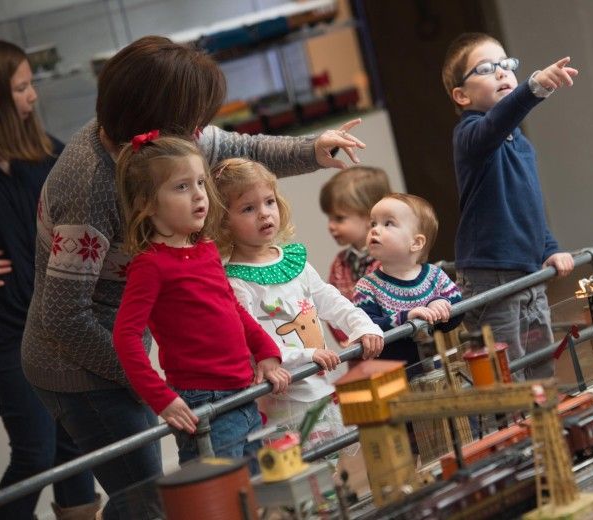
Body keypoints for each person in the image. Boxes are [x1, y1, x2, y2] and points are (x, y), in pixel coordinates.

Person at [21, 35, 365, 519]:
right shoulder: (89, 186)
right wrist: (155, 386)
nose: (202, 196)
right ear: (156, 117)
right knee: (149, 499)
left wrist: (313, 150)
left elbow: (239, 146)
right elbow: (65, 317)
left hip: (128, 354)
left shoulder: (166, 146)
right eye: (189, 186)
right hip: (74, 366)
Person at [112, 135, 291, 468]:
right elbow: (125, 337)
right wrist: (161, 398)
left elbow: (232, 308)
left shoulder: (206, 248)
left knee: (253, 494)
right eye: (181, 187)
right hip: (204, 403)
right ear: (147, 203)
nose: (199, 195)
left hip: (244, 391)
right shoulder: (151, 265)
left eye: (199, 182)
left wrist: (266, 351)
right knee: (220, 498)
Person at [214, 158, 384, 447]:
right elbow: (252, 344)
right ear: (224, 222)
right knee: (306, 477)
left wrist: (363, 326)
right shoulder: (235, 281)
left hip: (321, 386)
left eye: (268, 202)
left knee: (335, 467)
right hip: (286, 399)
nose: (264, 214)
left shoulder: (294, 261)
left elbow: (330, 300)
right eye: (248, 208)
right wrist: (307, 356)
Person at [0, 40, 99, 520]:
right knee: (35, 452)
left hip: (53, 325)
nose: (33, 96)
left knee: (72, 443)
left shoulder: (44, 153)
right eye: (20, 88)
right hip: (4, 336)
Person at [441, 32, 577, 379]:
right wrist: (531, 89)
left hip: (529, 273)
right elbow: (494, 125)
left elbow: (528, 204)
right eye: (487, 68)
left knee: (540, 365)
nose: (501, 73)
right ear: (461, 95)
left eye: (506, 65)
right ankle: (515, 432)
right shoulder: (470, 136)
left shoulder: (522, 143)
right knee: (504, 373)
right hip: (491, 277)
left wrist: (549, 246)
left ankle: (547, 427)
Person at [354, 193, 463, 377]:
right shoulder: (366, 287)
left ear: (416, 242)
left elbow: (459, 310)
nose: (374, 230)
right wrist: (406, 317)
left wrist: (440, 303)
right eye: (373, 223)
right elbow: (367, 328)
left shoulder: (434, 275)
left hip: (441, 368)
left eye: (388, 223)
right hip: (395, 376)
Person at [319, 166, 391, 343]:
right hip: (361, 355)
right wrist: (353, 338)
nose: (330, 226)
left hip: (396, 349)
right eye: (329, 218)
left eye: (339, 218)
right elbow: (332, 307)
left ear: (369, 217)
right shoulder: (340, 264)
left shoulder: (390, 259)